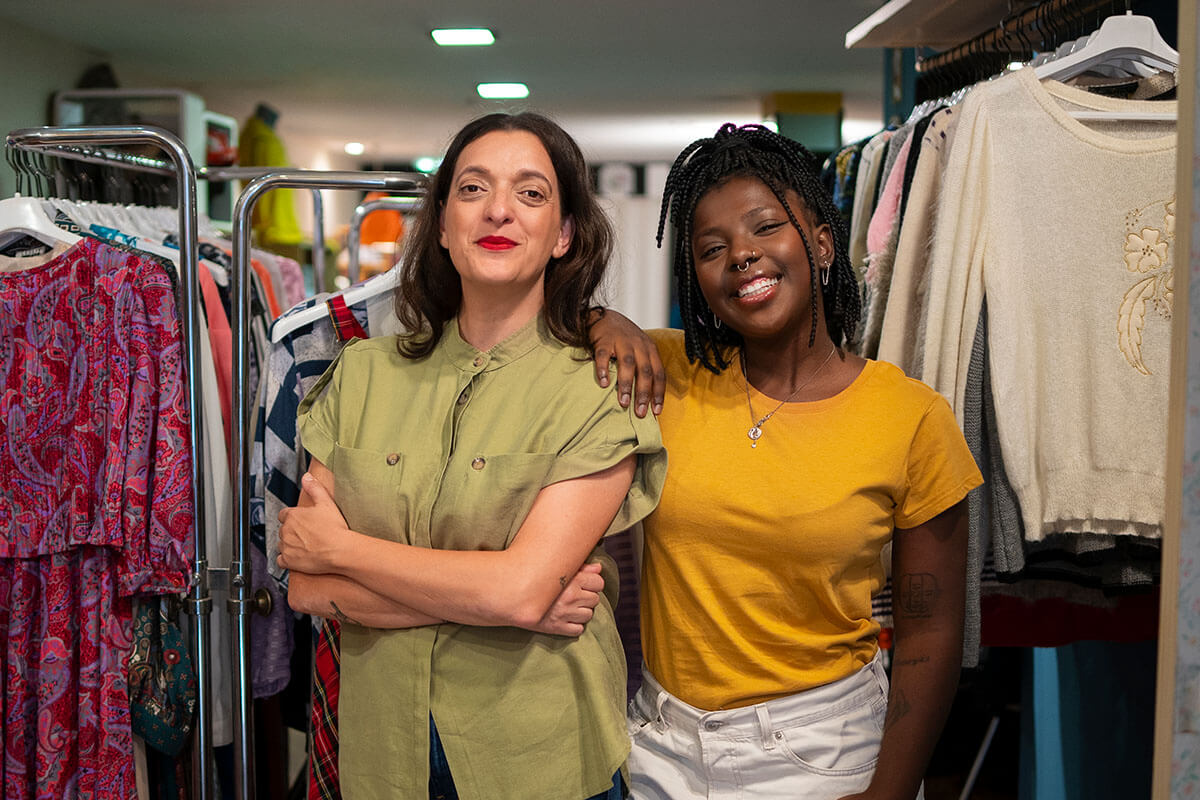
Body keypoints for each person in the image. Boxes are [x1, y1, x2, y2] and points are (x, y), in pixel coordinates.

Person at [585, 123, 983, 800]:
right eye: (711, 248)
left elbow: (932, 631)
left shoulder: (911, 416)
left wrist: (890, 791)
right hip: (660, 748)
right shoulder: (664, 373)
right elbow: (542, 328)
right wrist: (600, 318)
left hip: (825, 753)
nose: (741, 254)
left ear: (822, 243)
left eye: (765, 227)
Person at [276, 112, 666, 800]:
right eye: (473, 188)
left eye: (531, 193)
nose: (498, 210)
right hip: (382, 757)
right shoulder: (361, 375)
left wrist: (344, 552)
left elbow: (519, 590)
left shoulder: (598, 388)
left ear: (564, 235)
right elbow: (307, 588)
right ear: (443, 225)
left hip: (538, 758)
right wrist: (507, 599)